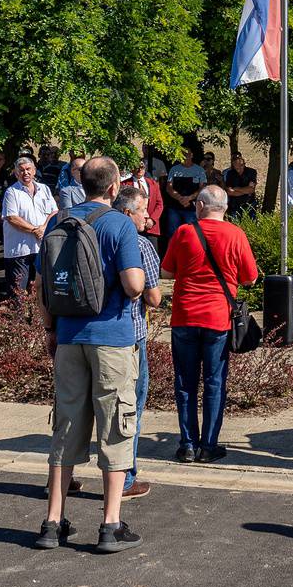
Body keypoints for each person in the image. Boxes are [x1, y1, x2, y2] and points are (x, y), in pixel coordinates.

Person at [34, 157, 147, 554]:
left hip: (68, 336)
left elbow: (41, 286)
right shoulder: (118, 224)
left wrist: (51, 330)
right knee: (115, 425)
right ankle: (110, 524)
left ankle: (52, 521)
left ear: (82, 184)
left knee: (66, 424)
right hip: (111, 338)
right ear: (115, 186)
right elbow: (134, 286)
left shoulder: (56, 223)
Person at [161, 185, 258, 462]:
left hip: (185, 316)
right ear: (225, 208)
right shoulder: (236, 234)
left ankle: (188, 444)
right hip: (218, 318)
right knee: (215, 382)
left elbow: (166, 272)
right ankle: (209, 445)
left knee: (184, 382)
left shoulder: (183, 233)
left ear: (200, 206)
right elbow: (250, 278)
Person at [117, 180, 163, 501]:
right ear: (127, 212)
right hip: (132, 334)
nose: (147, 218)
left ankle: (66, 476)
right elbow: (154, 297)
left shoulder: (96, 235)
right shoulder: (140, 245)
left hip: (93, 333)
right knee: (131, 406)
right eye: (142, 211)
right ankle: (126, 475)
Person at [1, 156, 58, 297]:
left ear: (34, 171)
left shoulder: (44, 189)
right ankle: (18, 318)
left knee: (39, 287)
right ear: (16, 174)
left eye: (28, 169)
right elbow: (12, 217)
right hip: (20, 250)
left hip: (40, 247)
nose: (25, 173)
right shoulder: (12, 192)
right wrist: (35, 230)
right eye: (21, 170)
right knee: (18, 290)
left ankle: (37, 317)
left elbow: (54, 211)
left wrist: (44, 227)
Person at [161, 150, 205, 243]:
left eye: (187, 153)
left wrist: (189, 198)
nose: (185, 156)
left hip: (192, 208)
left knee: (191, 233)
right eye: (182, 154)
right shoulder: (174, 169)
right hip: (174, 208)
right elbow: (169, 188)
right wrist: (180, 198)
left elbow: (202, 188)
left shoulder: (199, 170)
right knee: (173, 234)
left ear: (192, 155)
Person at [223, 151, 259, 217]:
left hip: (249, 204)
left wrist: (236, 189)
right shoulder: (230, 173)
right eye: (236, 168)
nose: (238, 170)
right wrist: (245, 191)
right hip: (234, 206)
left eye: (240, 167)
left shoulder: (251, 172)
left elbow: (251, 190)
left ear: (244, 164)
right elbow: (229, 191)